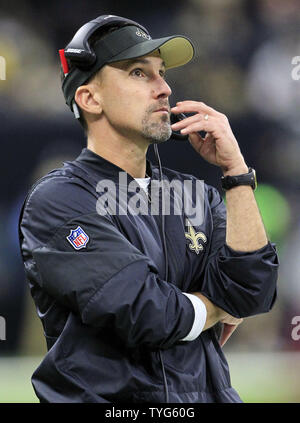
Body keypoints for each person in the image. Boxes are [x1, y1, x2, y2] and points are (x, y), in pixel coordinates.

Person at [18, 15, 279, 403]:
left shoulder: (196, 194)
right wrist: (217, 307)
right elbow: (148, 313)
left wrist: (235, 173)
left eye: (161, 73)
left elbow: (255, 290)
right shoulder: (58, 200)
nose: (165, 88)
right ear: (90, 98)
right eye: (139, 73)